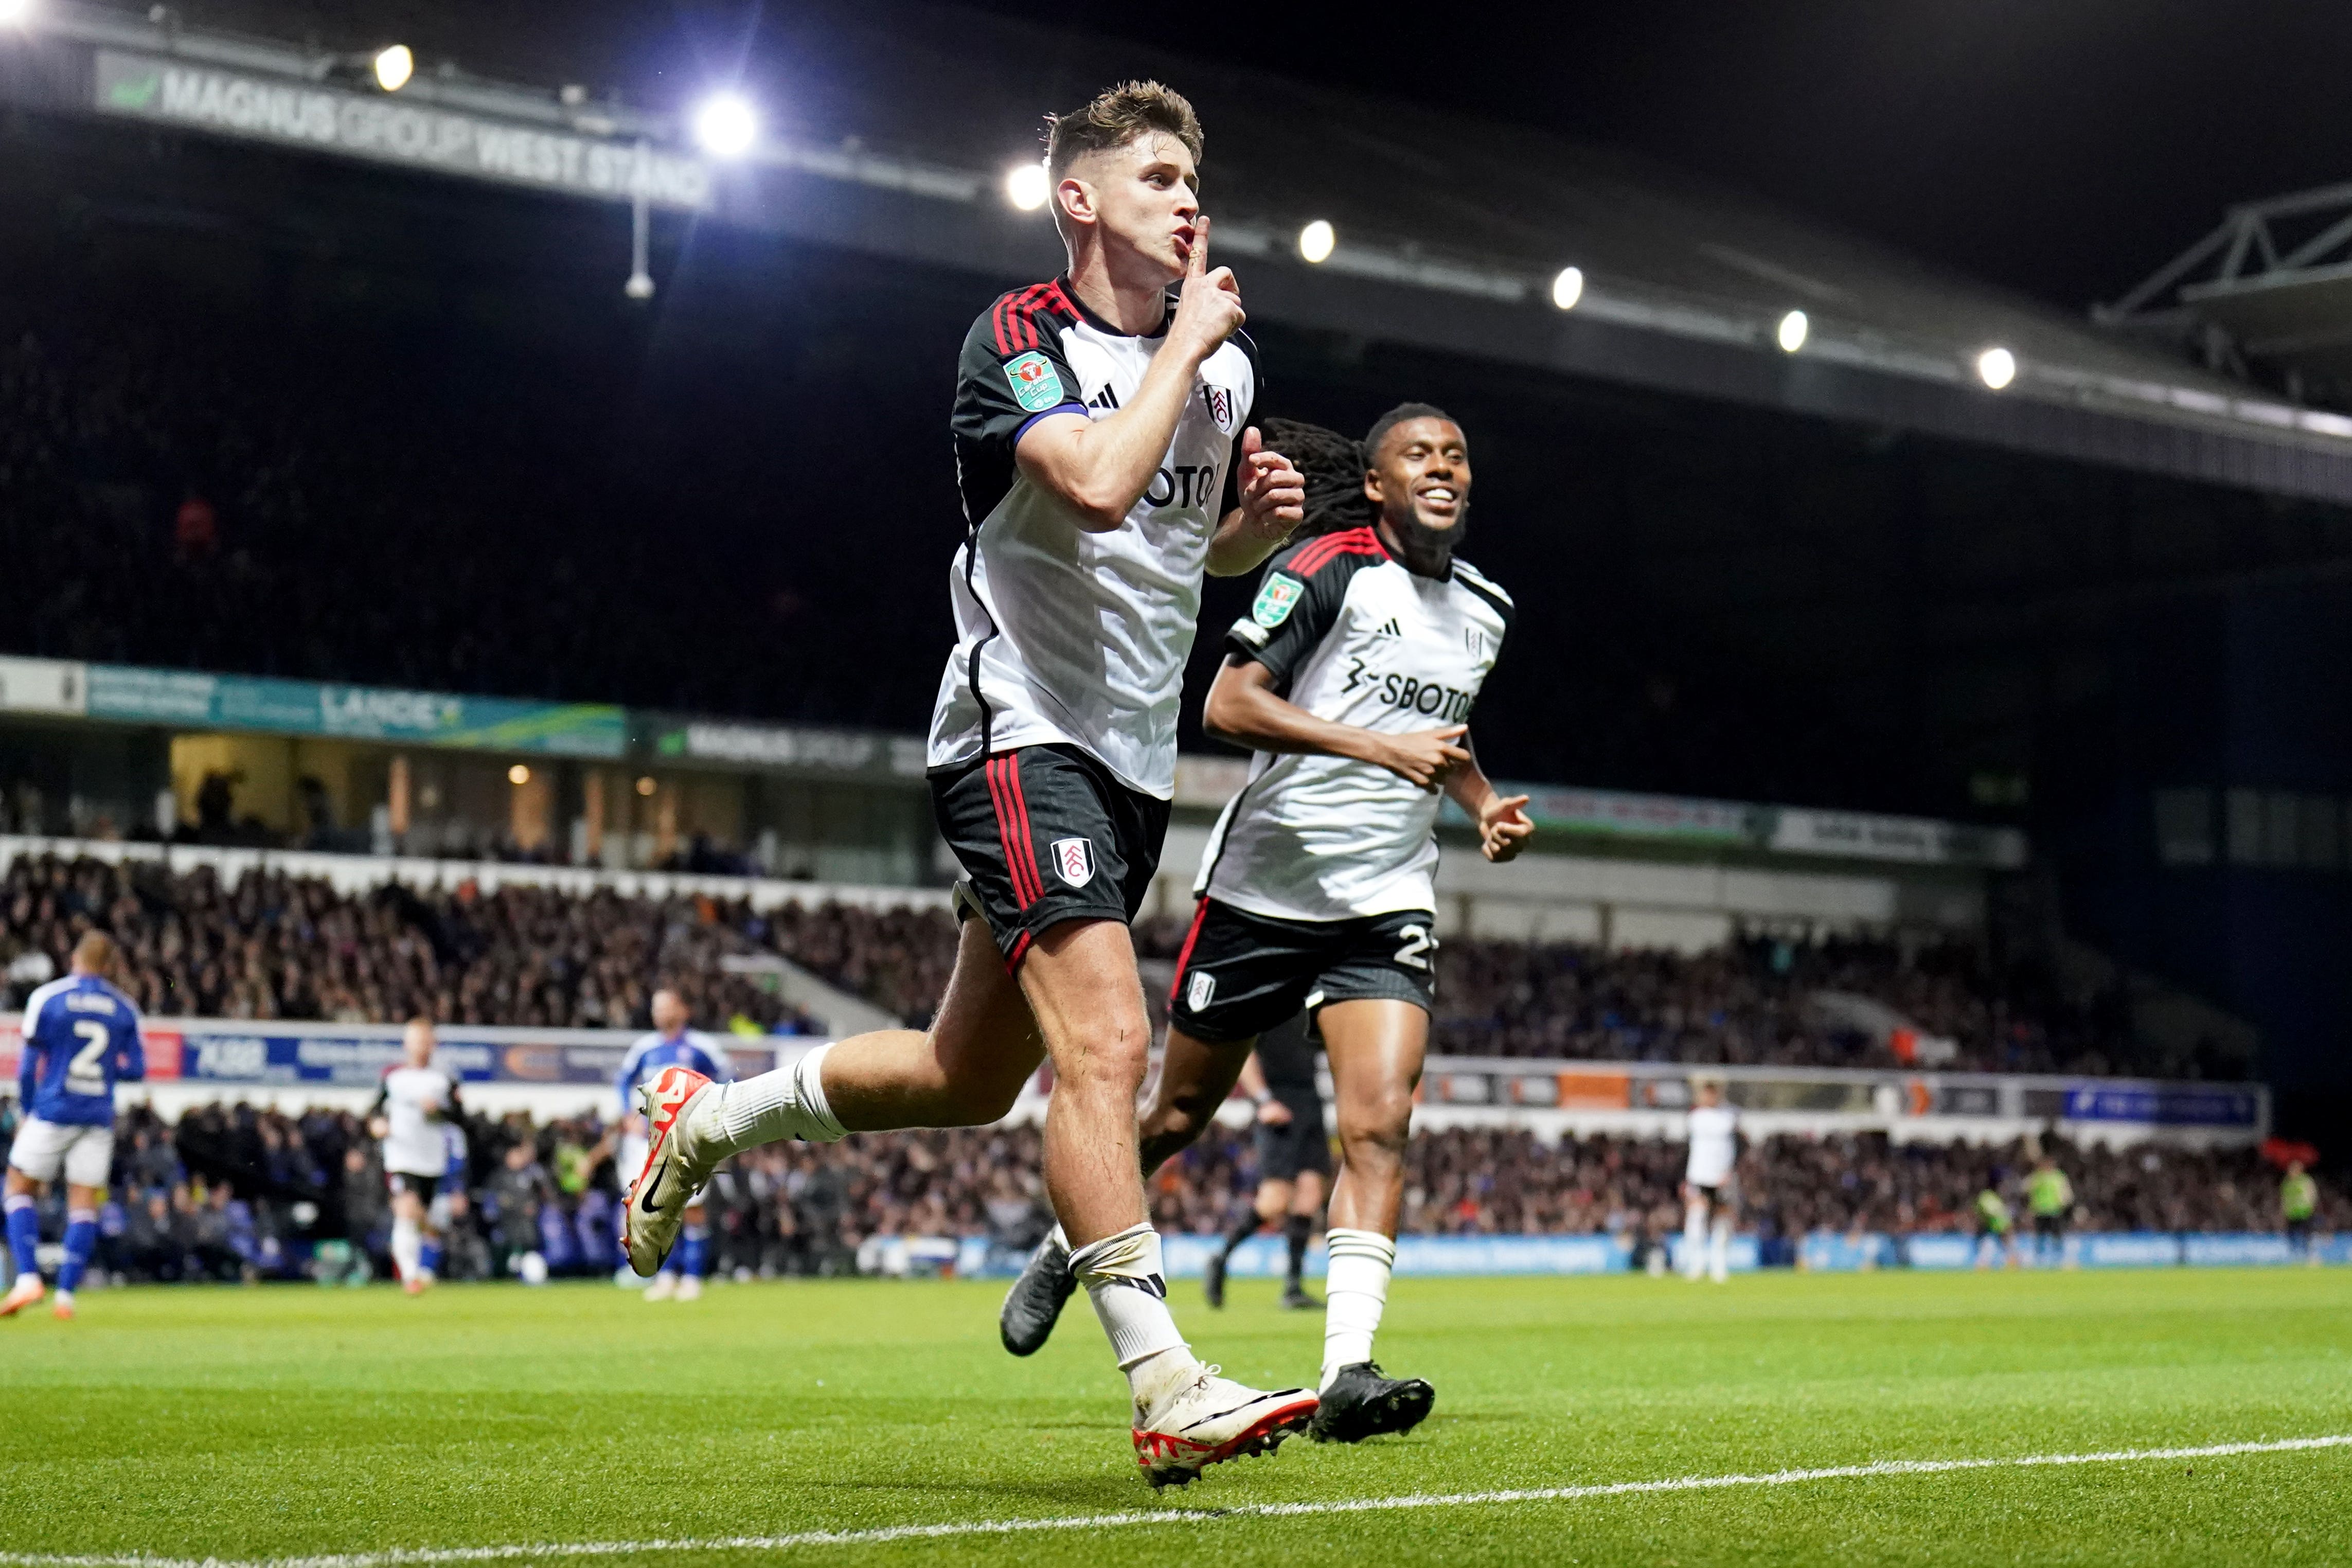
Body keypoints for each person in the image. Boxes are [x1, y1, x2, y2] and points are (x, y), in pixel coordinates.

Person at [618, 80, 1311, 1488]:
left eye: (1197, 182)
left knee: (963, 1074)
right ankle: (1162, 1383)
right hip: (1015, 732)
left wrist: (1244, 530)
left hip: (1129, 766)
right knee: (1107, 1048)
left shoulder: (1220, 373)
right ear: (1079, 198)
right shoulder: (1016, 343)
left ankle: (714, 1116)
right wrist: (1184, 347)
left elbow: (1174, 551)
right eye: (1159, 178)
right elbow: (1099, 488)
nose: (1190, 202)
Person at [1001, 407, 1529, 1446]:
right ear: (1376, 485)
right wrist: (1377, 751)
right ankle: (1072, 1241)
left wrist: (1482, 806)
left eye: (1457, 454)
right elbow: (1230, 705)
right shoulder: (1327, 568)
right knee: (1173, 1121)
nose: (1442, 468)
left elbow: (1447, 738)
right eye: (1418, 454)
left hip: (1384, 901)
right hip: (1264, 891)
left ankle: (1348, 1376)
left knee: (1379, 1125)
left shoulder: (1485, 609)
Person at [2, 933, 145, 1320]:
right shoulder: (124, 1008)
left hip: (54, 1110)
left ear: (74, 958)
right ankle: (65, 1296)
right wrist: (106, 1071)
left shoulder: (48, 998)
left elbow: (29, 1067)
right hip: (97, 1117)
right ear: (109, 965)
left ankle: (28, 1278)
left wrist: (29, 1111)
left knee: (17, 1186)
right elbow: (136, 1069)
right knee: (83, 1205)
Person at [1202, 1015, 1328, 1313]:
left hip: (1310, 1101)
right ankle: (1220, 1258)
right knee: (1275, 1201)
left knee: (1311, 1195)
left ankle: (1293, 1288)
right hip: (1277, 1099)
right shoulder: (1270, 1001)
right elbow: (1245, 1054)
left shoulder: (1312, 1006)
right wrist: (1263, 1100)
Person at [614, 989, 733, 1301]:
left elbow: (727, 1079)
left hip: (688, 1141)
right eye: (656, 1007)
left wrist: (713, 1117)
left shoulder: (702, 1047)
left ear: (683, 1009)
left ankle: (692, 1277)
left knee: (692, 1208)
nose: (660, 1012)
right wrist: (628, 1114)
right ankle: (666, 1275)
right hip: (650, 1142)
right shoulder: (645, 1048)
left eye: (666, 1006)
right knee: (657, 1208)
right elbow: (622, 1082)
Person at [369, 1018, 459, 1295]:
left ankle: (424, 1270)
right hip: (401, 1158)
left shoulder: (444, 1079)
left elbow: (460, 1116)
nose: (420, 1046)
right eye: (415, 1040)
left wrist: (438, 1112)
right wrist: (377, 1126)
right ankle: (410, 1278)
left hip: (431, 1160)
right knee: (406, 1209)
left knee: (426, 1222)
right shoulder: (393, 1078)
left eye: (425, 1040)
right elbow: (374, 1111)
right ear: (407, 1044)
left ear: (433, 1044)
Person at [1681, 1077, 1740, 1284]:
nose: (1709, 1097)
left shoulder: (1730, 1116)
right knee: (1696, 1218)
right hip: (1699, 1175)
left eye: (1713, 1092)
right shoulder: (1694, 1117)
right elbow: (1686, 1149)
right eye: (1706, 1093)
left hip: (1723, 1177)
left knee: (1723, 1221)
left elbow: (1738, 1146)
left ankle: (1719, 1265)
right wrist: (1684, 1177)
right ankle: (1696, 1264)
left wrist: (1730, 1171)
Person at [2025, 1152, 2073, 1267]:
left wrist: (2066, 1201)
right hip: (2040, 1210)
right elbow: (2027, 1189)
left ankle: (2059, 1258)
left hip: (2054, 1210)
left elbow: (2066, 1192)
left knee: (2057, 1235)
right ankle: (2040, 1259)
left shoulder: (2058, 1176)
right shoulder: (2037, 1177)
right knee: (2040, 1236)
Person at [2281, 1160, 2318, 1264]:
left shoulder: (2305, 1180)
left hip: (2305, 1213)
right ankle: (2294, 1256)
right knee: (2291, 1235)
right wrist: (2284, 1209)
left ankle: (2311, 1257)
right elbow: (2284, 1197)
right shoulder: (2287, 1182)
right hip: (2292, 1214)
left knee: (2307, 1235)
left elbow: (2312, 1193)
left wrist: (2311, 1205)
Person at [1972, 1178, 2015, 1270]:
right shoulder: (1986, 1196)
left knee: (2008, 1249)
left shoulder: (1997, 1198)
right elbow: (1989, 1212)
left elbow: (2003, 1216)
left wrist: (2007, 1226)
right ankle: (1982, 1267)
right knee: (1988, 1248)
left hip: (2001, 1228)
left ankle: (2012, 1265)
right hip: (1990, 1228)